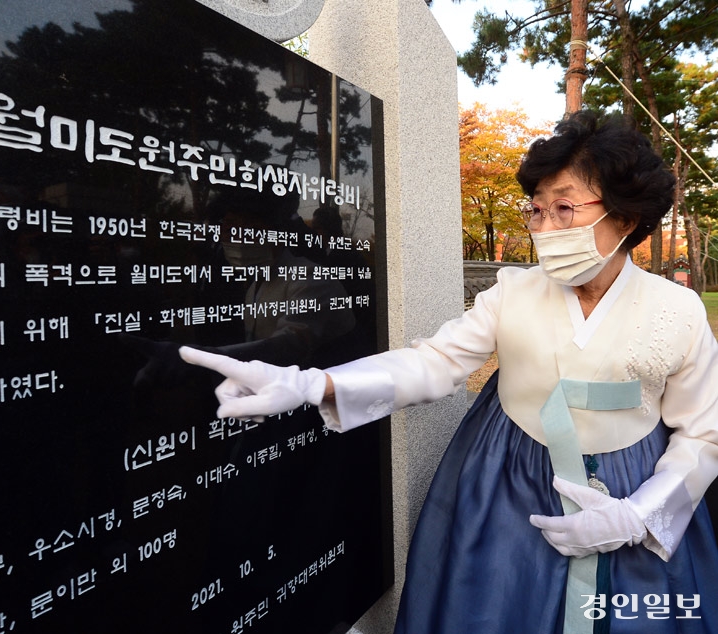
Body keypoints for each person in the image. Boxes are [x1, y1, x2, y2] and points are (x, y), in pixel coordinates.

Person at [179, 111, 718, 633]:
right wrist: (314, 383)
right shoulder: (513, 292)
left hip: (637, 486)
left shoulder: (680, 310)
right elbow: (434, 361)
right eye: (537, 210)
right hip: (508, 487)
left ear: (624, 218)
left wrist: (639, 515)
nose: (545, 226)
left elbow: (703, 432)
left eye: (564, 208)